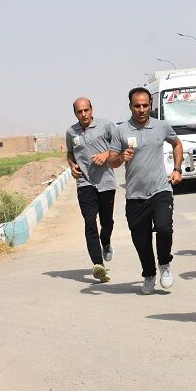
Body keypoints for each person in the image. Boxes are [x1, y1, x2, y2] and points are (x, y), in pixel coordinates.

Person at [108, 87, 183, 294]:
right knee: (141, 240)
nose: (141, 109)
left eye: (145, 105)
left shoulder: (161, 126)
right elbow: (111, 161)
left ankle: (165, 265)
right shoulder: (121, 131)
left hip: (160, 189)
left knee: (164, 228)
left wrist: (176, 169)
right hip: (135, 195)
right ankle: (149, 274)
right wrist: (121, 157)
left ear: (150, 105)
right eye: (137, 106)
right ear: (130, 106)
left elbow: (177, 144)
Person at [65, 97, 117, 283]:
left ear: (92, 110)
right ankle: (98, 265)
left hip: (106, 182)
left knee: (107, 222)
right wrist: (72, 165)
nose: (84, 114)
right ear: (75, 113)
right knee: (89, 221)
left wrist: (106, 154)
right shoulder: (71, 132)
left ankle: (107, 242)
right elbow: (70, 153)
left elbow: (118, 147)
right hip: (85, 183)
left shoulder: (106, 126)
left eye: (86, 110)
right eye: (80, 111)